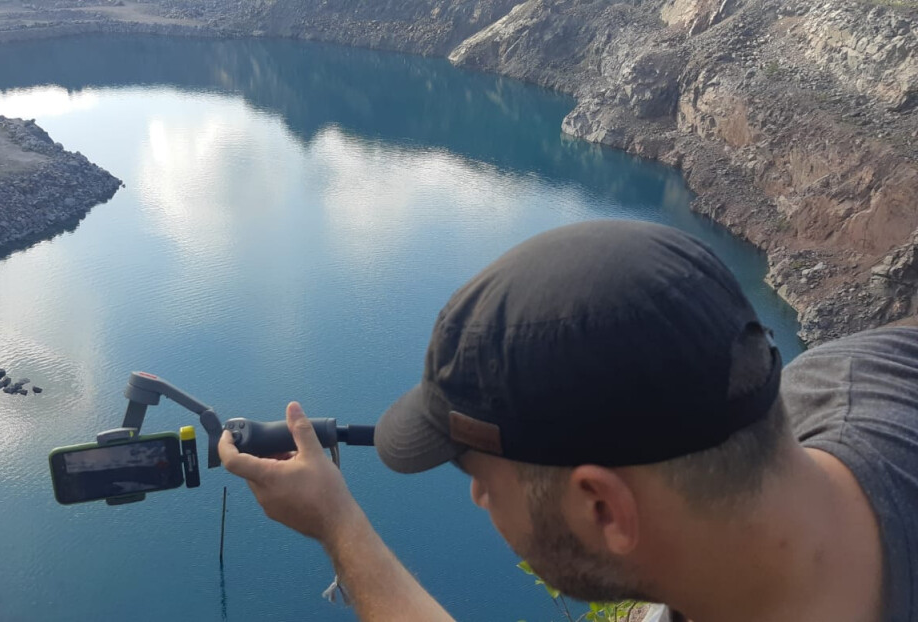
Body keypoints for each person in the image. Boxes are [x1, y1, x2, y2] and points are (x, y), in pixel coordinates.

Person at [220, 220, 918, 622]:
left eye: (477, 474)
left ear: (603, 508)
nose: (475, 496)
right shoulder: (865, 377)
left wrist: (338, 529)